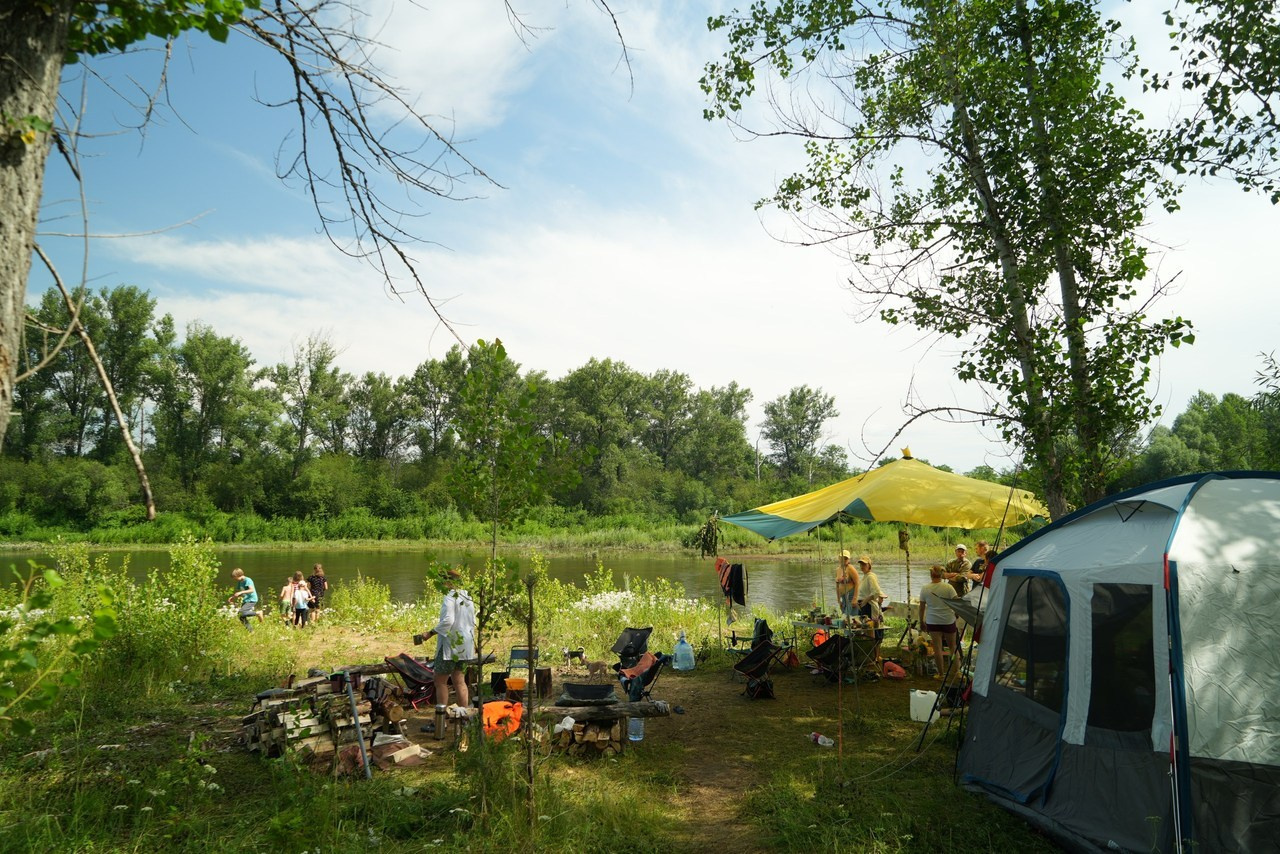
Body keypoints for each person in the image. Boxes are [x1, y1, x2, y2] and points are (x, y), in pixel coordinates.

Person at [419, 567, 477, 710]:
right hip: (465, 645)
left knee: (440, 681)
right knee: (459, 681)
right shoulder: (467, 596)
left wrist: (430, 633)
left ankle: (441, 717)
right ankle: (463, 715)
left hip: (450, 647)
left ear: (446, 582)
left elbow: (448, 621)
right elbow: (472, 621)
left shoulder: (450, 597)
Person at [919, 564, 961, 681]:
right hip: (947, 619)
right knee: (953, 646)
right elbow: (956, 602)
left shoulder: (925, 588)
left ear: (931, 575)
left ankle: (941, 674)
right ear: (942, 574)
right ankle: (957, 672)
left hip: (933, 620)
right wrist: (957, 613)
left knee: (937, 648)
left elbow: (921, 607)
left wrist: (921, 620)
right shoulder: (948, 587)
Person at [855, 555, 886, 661]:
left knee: (871, 633)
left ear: (869, 565)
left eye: (864, 564)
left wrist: (865, 600)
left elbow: (876, 592)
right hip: (864, 606)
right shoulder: (865, 576)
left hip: (869, 607)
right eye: (861, 564)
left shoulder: (871, 576)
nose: (862, 566)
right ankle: (871, 656)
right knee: (867, 633)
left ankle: (874, 657)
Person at [835, 550, 860, 618]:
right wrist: (838, 600)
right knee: (844, 617)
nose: (845, 559)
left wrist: (855, 598)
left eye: (846, 558)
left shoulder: (850, 568)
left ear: (848, 559)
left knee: (849, 618)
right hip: (843, 598)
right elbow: (837, 586)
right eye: (843, 557)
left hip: (850, 596)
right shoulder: (838, 569)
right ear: (839, 558)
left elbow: (857, 583)